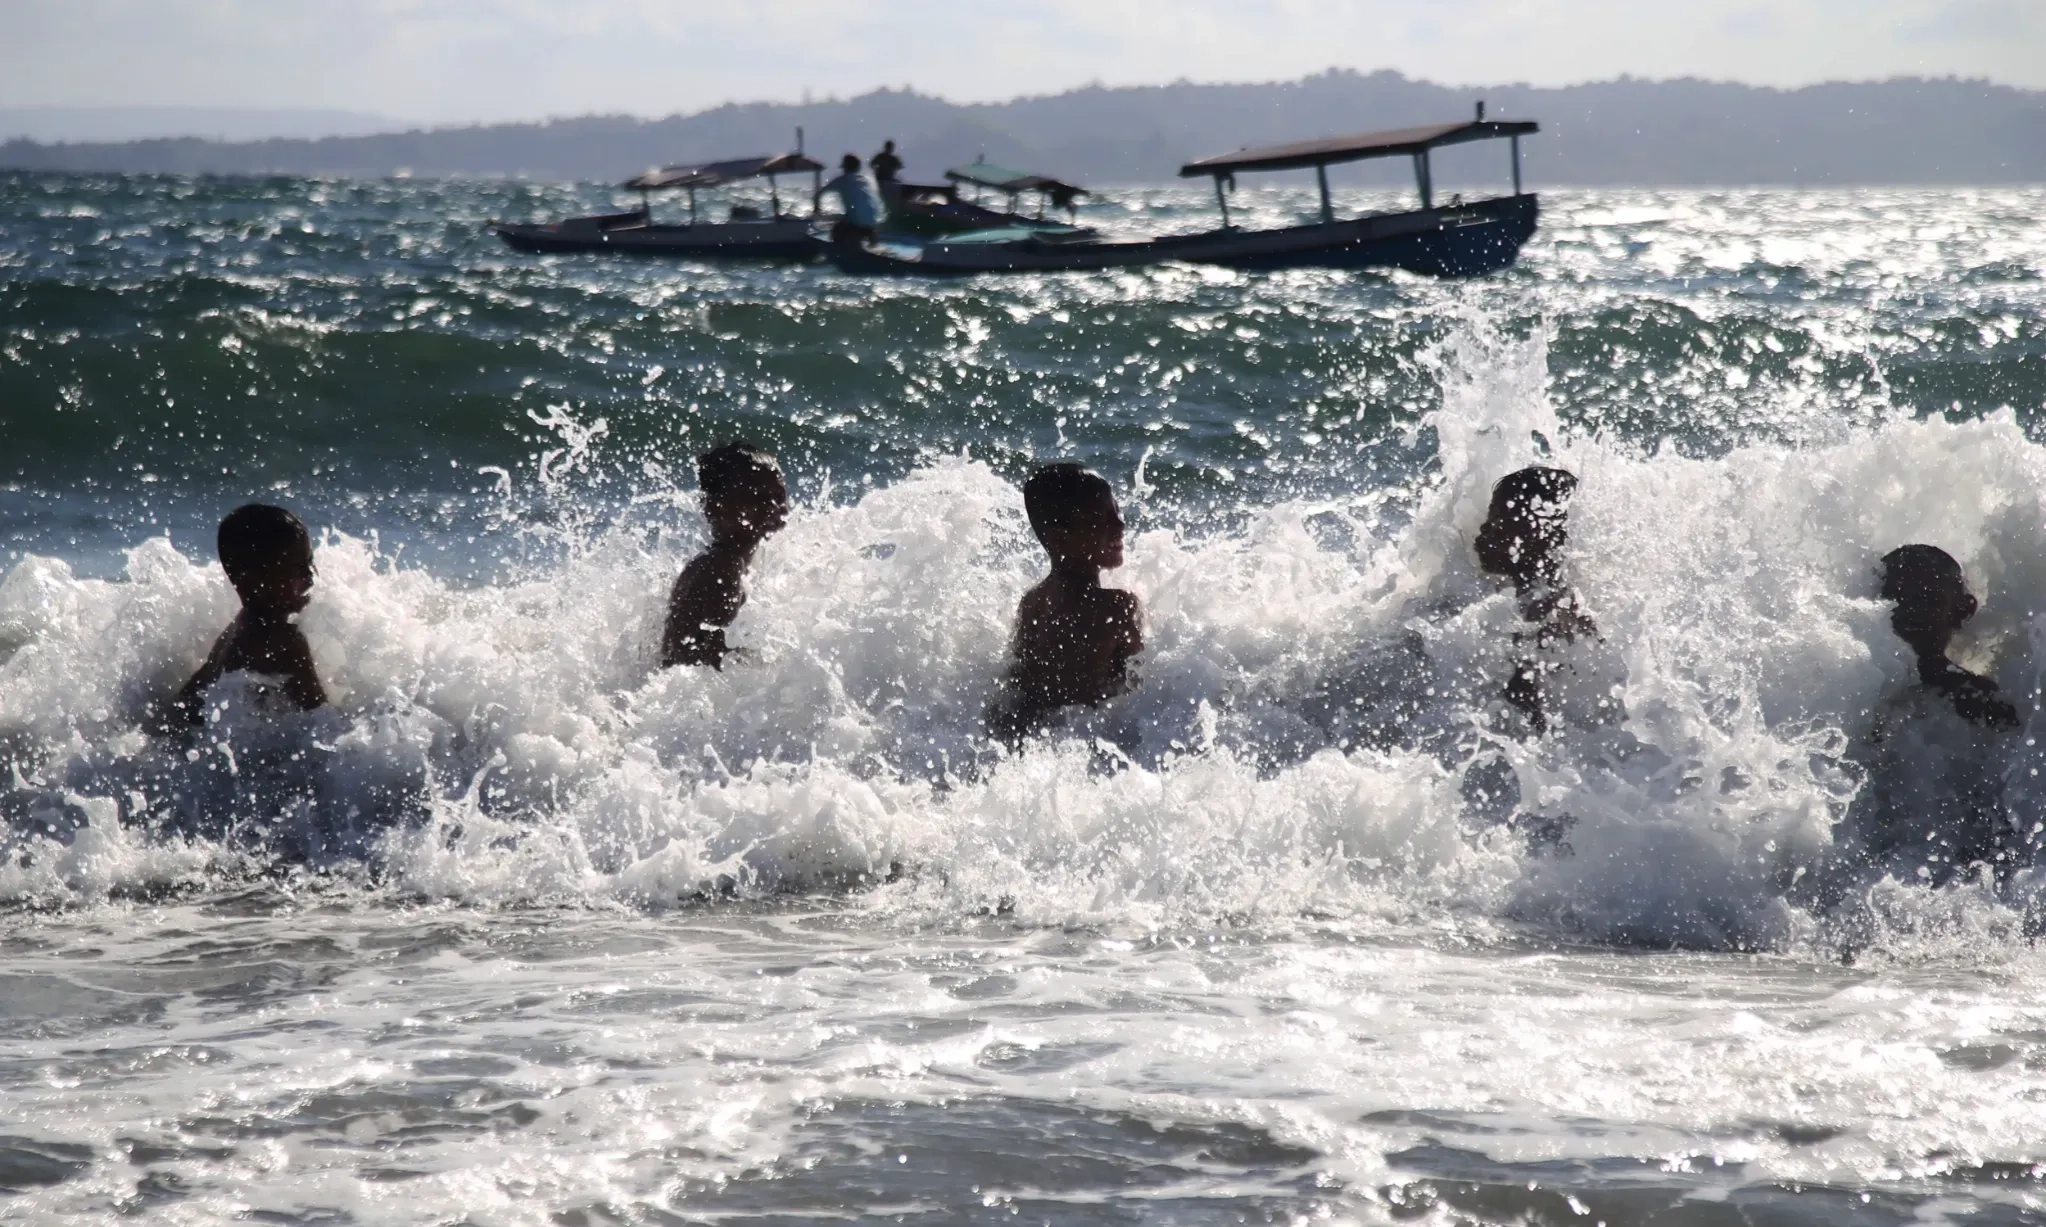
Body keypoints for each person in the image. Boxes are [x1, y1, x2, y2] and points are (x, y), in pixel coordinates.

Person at [987, 464, 1143, 742]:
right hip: (1088, 744)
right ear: (1061, 538)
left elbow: (1019, 683)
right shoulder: (1117, 607)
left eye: (1116, 511)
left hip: (1037, 737)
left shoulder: (1032, 603)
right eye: (1103, 517)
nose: (1120, 524)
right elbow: (1146, 689)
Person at [161, 503, 326, 731]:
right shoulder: (284, 640)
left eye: (309, 562)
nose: (310, 575)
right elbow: (323, 723)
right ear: (252, 581)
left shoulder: (240, 627)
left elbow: (188, 700)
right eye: (296, 568)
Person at [1473, 466, 1595, 734]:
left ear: (1536, 534)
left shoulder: (1554, 606)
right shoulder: (1521, 593)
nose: (1484, 530)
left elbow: (1528, 699)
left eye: (1497, 521)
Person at [661, 443, 790, 669]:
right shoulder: (721, 568)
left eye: (779, 495)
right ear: (715, 506)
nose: (772, 505)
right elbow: (713, 665)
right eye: (756, 495)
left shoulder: (726, 563)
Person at [1878, 544, 2018, 729]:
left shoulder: (1981, 701)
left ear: (1961, 611)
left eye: (1928, 600)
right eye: (1896, 596)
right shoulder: (1847, 679)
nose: (1911, 609)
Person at [818, 153, 882, 247]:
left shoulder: (842, 180)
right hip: (872, 222)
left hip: (856, 224)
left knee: (837, 230)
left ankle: (843, 248)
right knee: (859, 220)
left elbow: (819, 193)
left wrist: (816, 208)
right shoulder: (865, 181)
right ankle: (871, 237)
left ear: (845, 168)